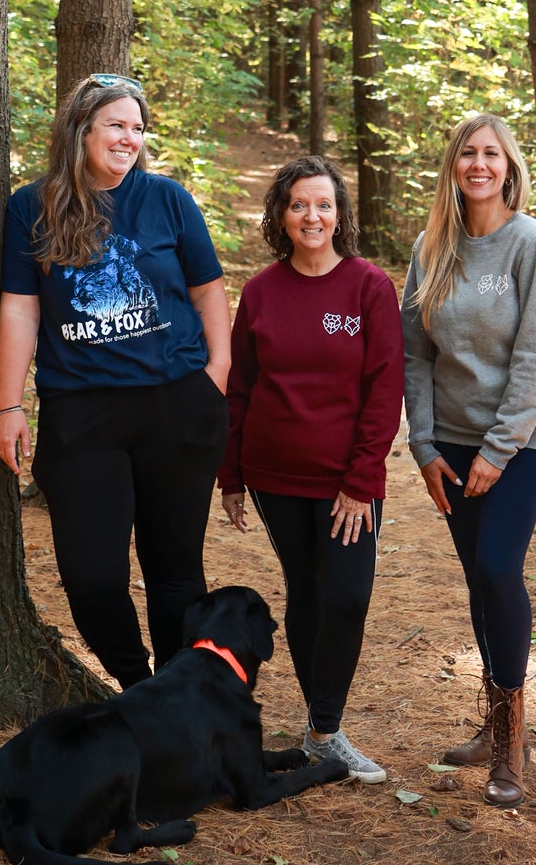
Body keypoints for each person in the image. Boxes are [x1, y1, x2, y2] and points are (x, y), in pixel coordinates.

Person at [0, 73, 231, 687]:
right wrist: (8, 405)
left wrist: (216, 375)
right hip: (82, 413)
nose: (129, 138)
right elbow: (21, 309)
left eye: (137, 128)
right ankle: (138, 685)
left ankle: (176, 694)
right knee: (91, 576)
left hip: (177, 405)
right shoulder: (32, 206)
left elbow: (209, 291)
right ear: (81, 131)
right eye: (116, 125)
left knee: (175, 569)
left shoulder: (167, 199)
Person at [219, 154, 403, 783]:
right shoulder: (260, 292)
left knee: (346, 597)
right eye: (299, 204)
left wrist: (360, 481)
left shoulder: (368, 287)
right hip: (273, 475)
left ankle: (324, 729)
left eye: (324, 204)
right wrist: (231, 475)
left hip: (347, 479)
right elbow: (240, 388)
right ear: (281, 216)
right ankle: (322, 726)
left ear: (341, 215)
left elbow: (385, 390)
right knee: (305, 590)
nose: (312, 216)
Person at [401, 114, 536, 810]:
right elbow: (414, 354)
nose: (479, 163)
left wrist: (499, 448)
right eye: (467, 152)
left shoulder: (532, 243)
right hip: (450, 443)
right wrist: (424, 445)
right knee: (478, 580)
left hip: (520, 442)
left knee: (498, 568)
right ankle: (494, 721)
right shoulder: (431, 247)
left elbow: (535, 353)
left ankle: (510, 742)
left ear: (509, 167)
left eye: (491, 153)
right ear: (453, 166)